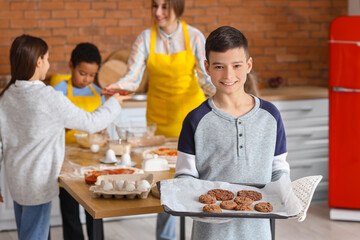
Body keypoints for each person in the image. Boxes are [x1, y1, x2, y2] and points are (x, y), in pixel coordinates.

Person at [0, 34, 130, 240]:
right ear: (38, 61)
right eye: (48, 59)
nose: (49, 64)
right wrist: (116, 101)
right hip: (37, 183)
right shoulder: (48, 97)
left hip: (16, 181)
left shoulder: (7, 95)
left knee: (26, 232)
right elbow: (92, 122)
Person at [105, 1, 215, 239]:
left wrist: (226, 93)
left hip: (191, 121)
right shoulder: (145, 38)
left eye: (165, 7)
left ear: (177, 7)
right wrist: (118, 87)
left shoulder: (194, 36)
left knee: (196, 181)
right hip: (159, 124)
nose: (158, 12)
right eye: (155, 6)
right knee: (164, 183)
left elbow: (206, 79)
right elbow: (133, 77)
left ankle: (202, 232)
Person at [174, 26, 290, 239]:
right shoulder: (195, 120)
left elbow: (279, 168)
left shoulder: (270, 116)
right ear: (207, 67)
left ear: (248, 65)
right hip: (210, 231)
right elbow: (185, 175)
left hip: (259, 232)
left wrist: (287, 195)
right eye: (219, 66)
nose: (228, 75)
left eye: (236, 65)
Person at [51, 43, 105, 240]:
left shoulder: (99, 92)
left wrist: (102, 131)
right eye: (82, 73)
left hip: (94, 161)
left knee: (96, 210)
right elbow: (52, 126)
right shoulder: (57, 91)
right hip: (66, 162)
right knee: (70, 212)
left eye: (92, 75)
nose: (87, 79)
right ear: (71, 66)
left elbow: (103, 124)